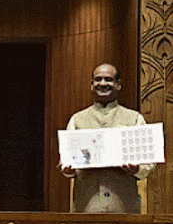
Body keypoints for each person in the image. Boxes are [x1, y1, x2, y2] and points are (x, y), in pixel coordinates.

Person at [58, 63, 155, 213]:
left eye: (108, 79)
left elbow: (148, 163)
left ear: (118, 85)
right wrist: (68, 170)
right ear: (92, 85)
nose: (103, 84)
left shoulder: (134, 119)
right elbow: (67, 162)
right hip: (87, 208)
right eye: (98, 79)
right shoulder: (77, 120)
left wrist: (136, 169)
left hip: (124, 207)